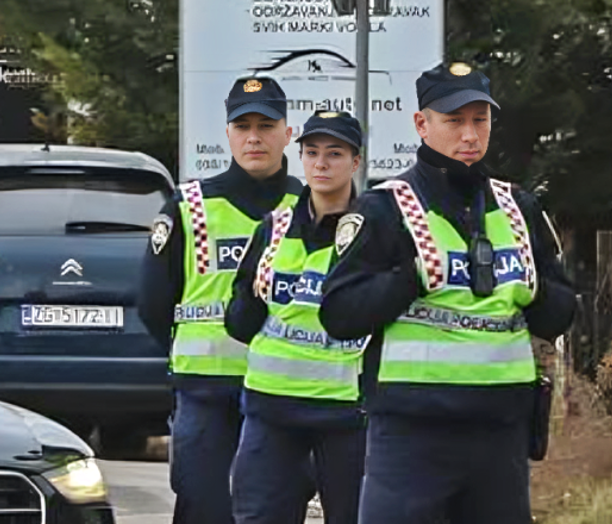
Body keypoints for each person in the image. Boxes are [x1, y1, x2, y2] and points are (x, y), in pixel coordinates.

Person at [318, 62, 577, 524]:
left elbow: (561, 314)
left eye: (480, 120)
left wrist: (534, 293)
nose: (470, 135)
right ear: (422, 124)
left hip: (499, 436)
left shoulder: (519, 207)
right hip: (412, 436)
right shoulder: (385, 208)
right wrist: (410, 278)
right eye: (454, 121)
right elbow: (339, 313)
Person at [138, 75, 306, 524]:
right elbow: (153, 304)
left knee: (275, 510)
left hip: (286, 392)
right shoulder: (189, 205)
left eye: (266, 126)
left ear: (287, 133)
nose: (254, 137)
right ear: (228, 133)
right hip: (206, 393)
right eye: (243, 126)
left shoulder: (311, 205)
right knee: (204, 506)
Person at [225, 110, 370, 524]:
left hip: (347, 414)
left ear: (355, 161)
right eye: (312, 153)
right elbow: (240, 320)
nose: (321, 164)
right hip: (272, 410)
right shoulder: (273, 228)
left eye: (335, 153)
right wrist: (249, 302)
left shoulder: (376, 230)